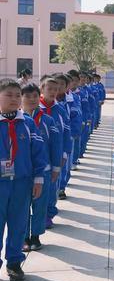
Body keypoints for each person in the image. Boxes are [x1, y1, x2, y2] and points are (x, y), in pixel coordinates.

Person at [0, 79, 46, 281]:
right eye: (8, 95)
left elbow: (38, 152)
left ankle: (14, 263)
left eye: (17, 95)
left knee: (19, 224)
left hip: (21, 182)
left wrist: (38, 179)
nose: (14, 99)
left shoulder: (27, 123)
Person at [21, 83, 62, 251]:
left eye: (34, 96)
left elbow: (55, 144)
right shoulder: (17, 121)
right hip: (22, 172)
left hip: (43, 170)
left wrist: (56, 167)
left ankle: (36, 236)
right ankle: (23, 237)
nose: (31, 100)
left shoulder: (47, 120)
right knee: (22, 206)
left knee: (40, 205)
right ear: (21, 98)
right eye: (27, 96)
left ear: (40, 98)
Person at [39, 76, 71, 229]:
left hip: (56, 156)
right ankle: (37, 218)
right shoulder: (35, 109)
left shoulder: (60, 110)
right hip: (39, 156)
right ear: (42, 90)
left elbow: (66, 132)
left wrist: (65, 153)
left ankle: (48, 215)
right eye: (49, 89)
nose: (53, 92)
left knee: (52, 188)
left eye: (55, 89)